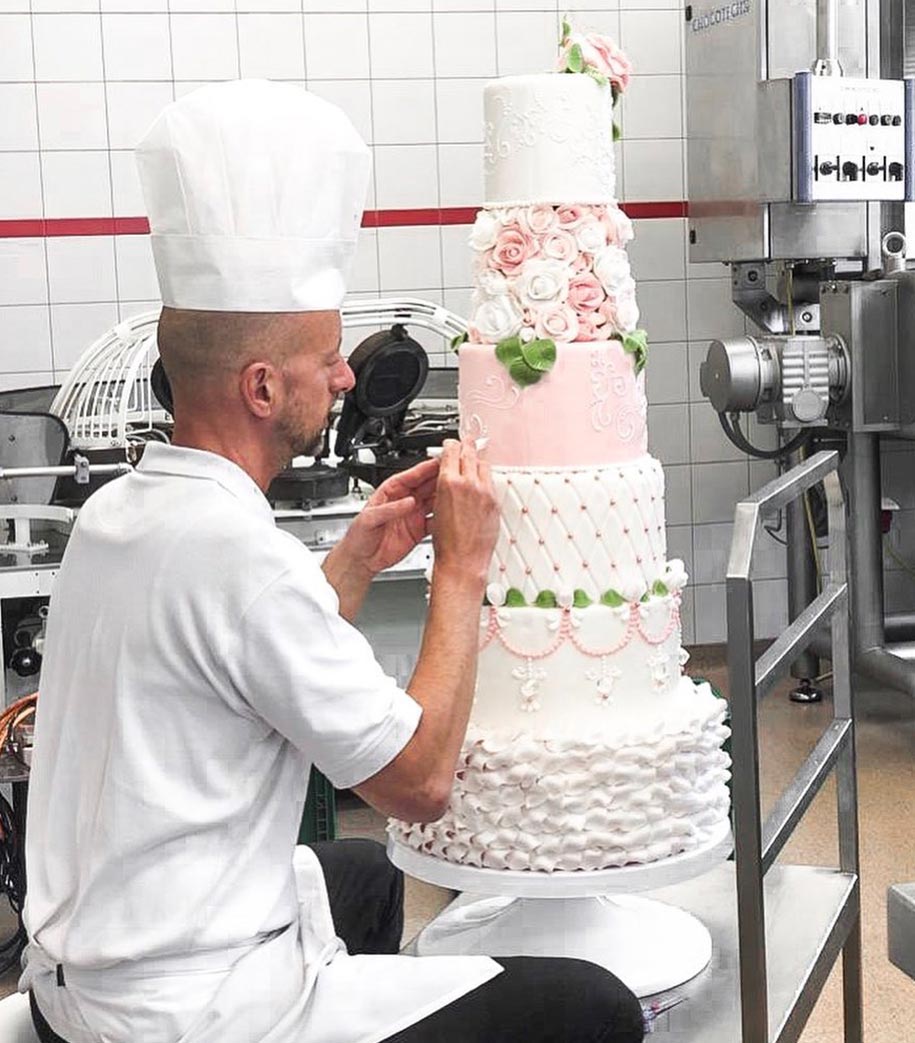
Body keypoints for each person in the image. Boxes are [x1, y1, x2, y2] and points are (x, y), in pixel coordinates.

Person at [18, 80, 644, 1043]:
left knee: (364, 871)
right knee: (592, 1004)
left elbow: (231, 649)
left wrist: (355, 557)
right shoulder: (240, 559)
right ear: (263, 386)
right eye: (326, 357)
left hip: (86, 972)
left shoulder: (118, 513)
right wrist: (460, 575)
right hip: (183, 1012)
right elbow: (419, 778)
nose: (348, 374)